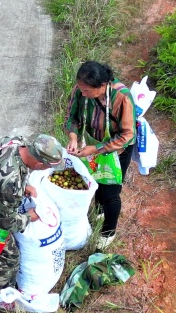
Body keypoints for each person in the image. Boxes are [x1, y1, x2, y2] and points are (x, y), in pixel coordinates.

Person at [0, 133, 65, 296]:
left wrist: (25, 184)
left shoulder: (16, 141)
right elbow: (5, 222)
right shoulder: (10, 182)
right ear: (39, 163)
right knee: (10, 257)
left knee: (1, 248)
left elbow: (1, 172)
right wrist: (31, 216)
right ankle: (0, 296)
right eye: (47, 166)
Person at [64, 61, 136, 250]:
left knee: (111, 191)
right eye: (81, 88)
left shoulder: (122, 97)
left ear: (102, 86)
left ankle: (108, 232)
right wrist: (73, 136)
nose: (83, 93)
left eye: (87, 91)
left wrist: (96, 149)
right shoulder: (80, 90)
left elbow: (128, 135)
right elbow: (71, 118)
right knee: (94, 181)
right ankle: (99, 211)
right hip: (92, 144)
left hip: (117, 148)